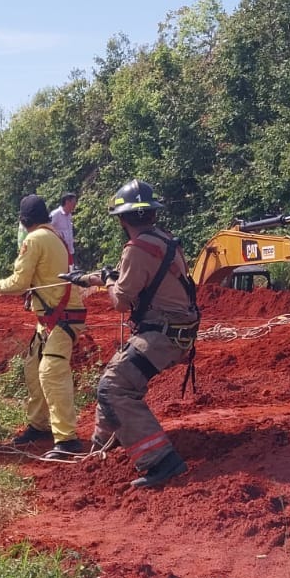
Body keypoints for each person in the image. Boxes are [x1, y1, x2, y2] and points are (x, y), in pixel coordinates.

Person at [67, 180, 200, 487]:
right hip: (176, 332)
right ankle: (103, 446)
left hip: (161, 336)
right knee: (113, 379)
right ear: (151, 215)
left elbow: (121, 301)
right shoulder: (164, 240)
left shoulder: (136, 249)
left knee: (113, 387)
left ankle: (161, 461)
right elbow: (127, 276)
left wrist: (108, 282)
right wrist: (87, 279)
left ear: (123, 219)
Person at [0, 195, 84, 457]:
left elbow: (20, 281)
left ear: (23, 221)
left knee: (51, 372)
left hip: (62, 318)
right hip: (53, 318)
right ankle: (40, 425)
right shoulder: (54, 235)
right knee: (33, 369)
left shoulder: (34, 240)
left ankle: (67, 439)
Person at [49, 192, 78, 269]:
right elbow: (48, 228)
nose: (75, 205)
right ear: (67, 202)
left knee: (70, 270)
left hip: (69, 250)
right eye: (73, 203)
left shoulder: (69, 215)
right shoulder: (55, 214)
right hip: (58, 251)